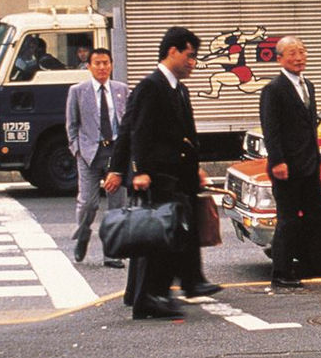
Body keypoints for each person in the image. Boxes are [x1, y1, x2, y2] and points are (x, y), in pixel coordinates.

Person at [107, 27, 218, 320]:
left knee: (170, 234)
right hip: (158, 175)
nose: (193, 62)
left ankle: (167, 288)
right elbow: (136, 131)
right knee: (158, 236)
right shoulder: (151, 87)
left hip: (178, 174)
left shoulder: (177, 88)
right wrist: (138, 171)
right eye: (190, 56)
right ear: (173, 52)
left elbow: (186, 135)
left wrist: (196, 169)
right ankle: (149, 298)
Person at [259, 36, 321, 288]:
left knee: (317, 214)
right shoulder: (274, 89)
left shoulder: (307, 85)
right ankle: (281, 271)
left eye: (302, 51)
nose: (299, 57)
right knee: (287, 218)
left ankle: (305, 261)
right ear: (279, 59)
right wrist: (277, 160)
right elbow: (271, 129)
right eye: (292, 53)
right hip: (286, 166)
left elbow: (309, 126)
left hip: (309, 164)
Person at [66, 48, 128, 268]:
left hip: (115, 153)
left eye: (105, 63)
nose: (102, 67)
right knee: (89, 203)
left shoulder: (121, 89)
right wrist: (77, 150)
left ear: (111, 65)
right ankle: (82, 234)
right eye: (97, 63)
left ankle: (112, 252)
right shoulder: (78, 91)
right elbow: (71, 125)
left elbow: (127, 124)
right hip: (89, 153)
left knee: (117, 205)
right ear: (89, 66)